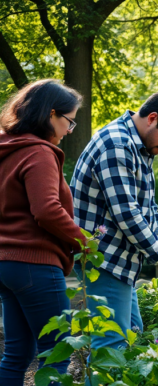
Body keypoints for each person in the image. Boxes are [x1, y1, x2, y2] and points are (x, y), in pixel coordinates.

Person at [70, 90, 158, 351]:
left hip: (120, 261)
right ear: (152, 118)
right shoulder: (116, 145)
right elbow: (127, 213)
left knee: (132, 337)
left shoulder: (141, 147)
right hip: (101, 259)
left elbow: (148, 209)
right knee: (112, 346)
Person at [0, 80, 89, 384]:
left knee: (16, 355)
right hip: (35, 263)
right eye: (69, 121)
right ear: (51, 114)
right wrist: (84, 241)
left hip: (6, 264)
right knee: (57, 353)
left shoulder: (7, 149)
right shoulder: (39, 152)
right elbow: (47, 210)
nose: (69, 130)